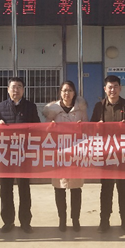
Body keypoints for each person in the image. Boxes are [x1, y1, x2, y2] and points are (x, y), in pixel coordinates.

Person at [0, 76, 40, 233]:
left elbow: (37, 127)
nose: (16, 89)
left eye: (19, 86)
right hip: (6, 154)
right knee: (5, 190)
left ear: (23, 90)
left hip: (24, 154)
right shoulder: (1, 107)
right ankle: (8, 222)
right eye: (13, 87)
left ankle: (25, 222)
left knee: (24, 189)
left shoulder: (30, 107)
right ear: (8, 90)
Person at [90, 75, 125, 234]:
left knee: (123, 189)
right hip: (106, 155)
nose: (113, 90)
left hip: (123, 154)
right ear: (105, 89)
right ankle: (104, 222)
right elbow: (90, 128)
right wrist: (97, 127)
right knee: (106, 189)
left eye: (115, 86)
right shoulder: (99, 106)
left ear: (120, 88)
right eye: (110, 87)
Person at [42, 81, 88, 232]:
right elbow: (45, 132)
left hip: (75, 153)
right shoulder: (52, 111)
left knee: (76, 188)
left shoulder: (80, 110)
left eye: (69, 90)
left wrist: (82, 127)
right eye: (64, 90)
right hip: (59, 153)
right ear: (60, 93)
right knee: (59, 188)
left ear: (74, 93)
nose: (66, 93)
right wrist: (50, 127)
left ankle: (75, 219)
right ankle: (62, 219)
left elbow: (87, 130)